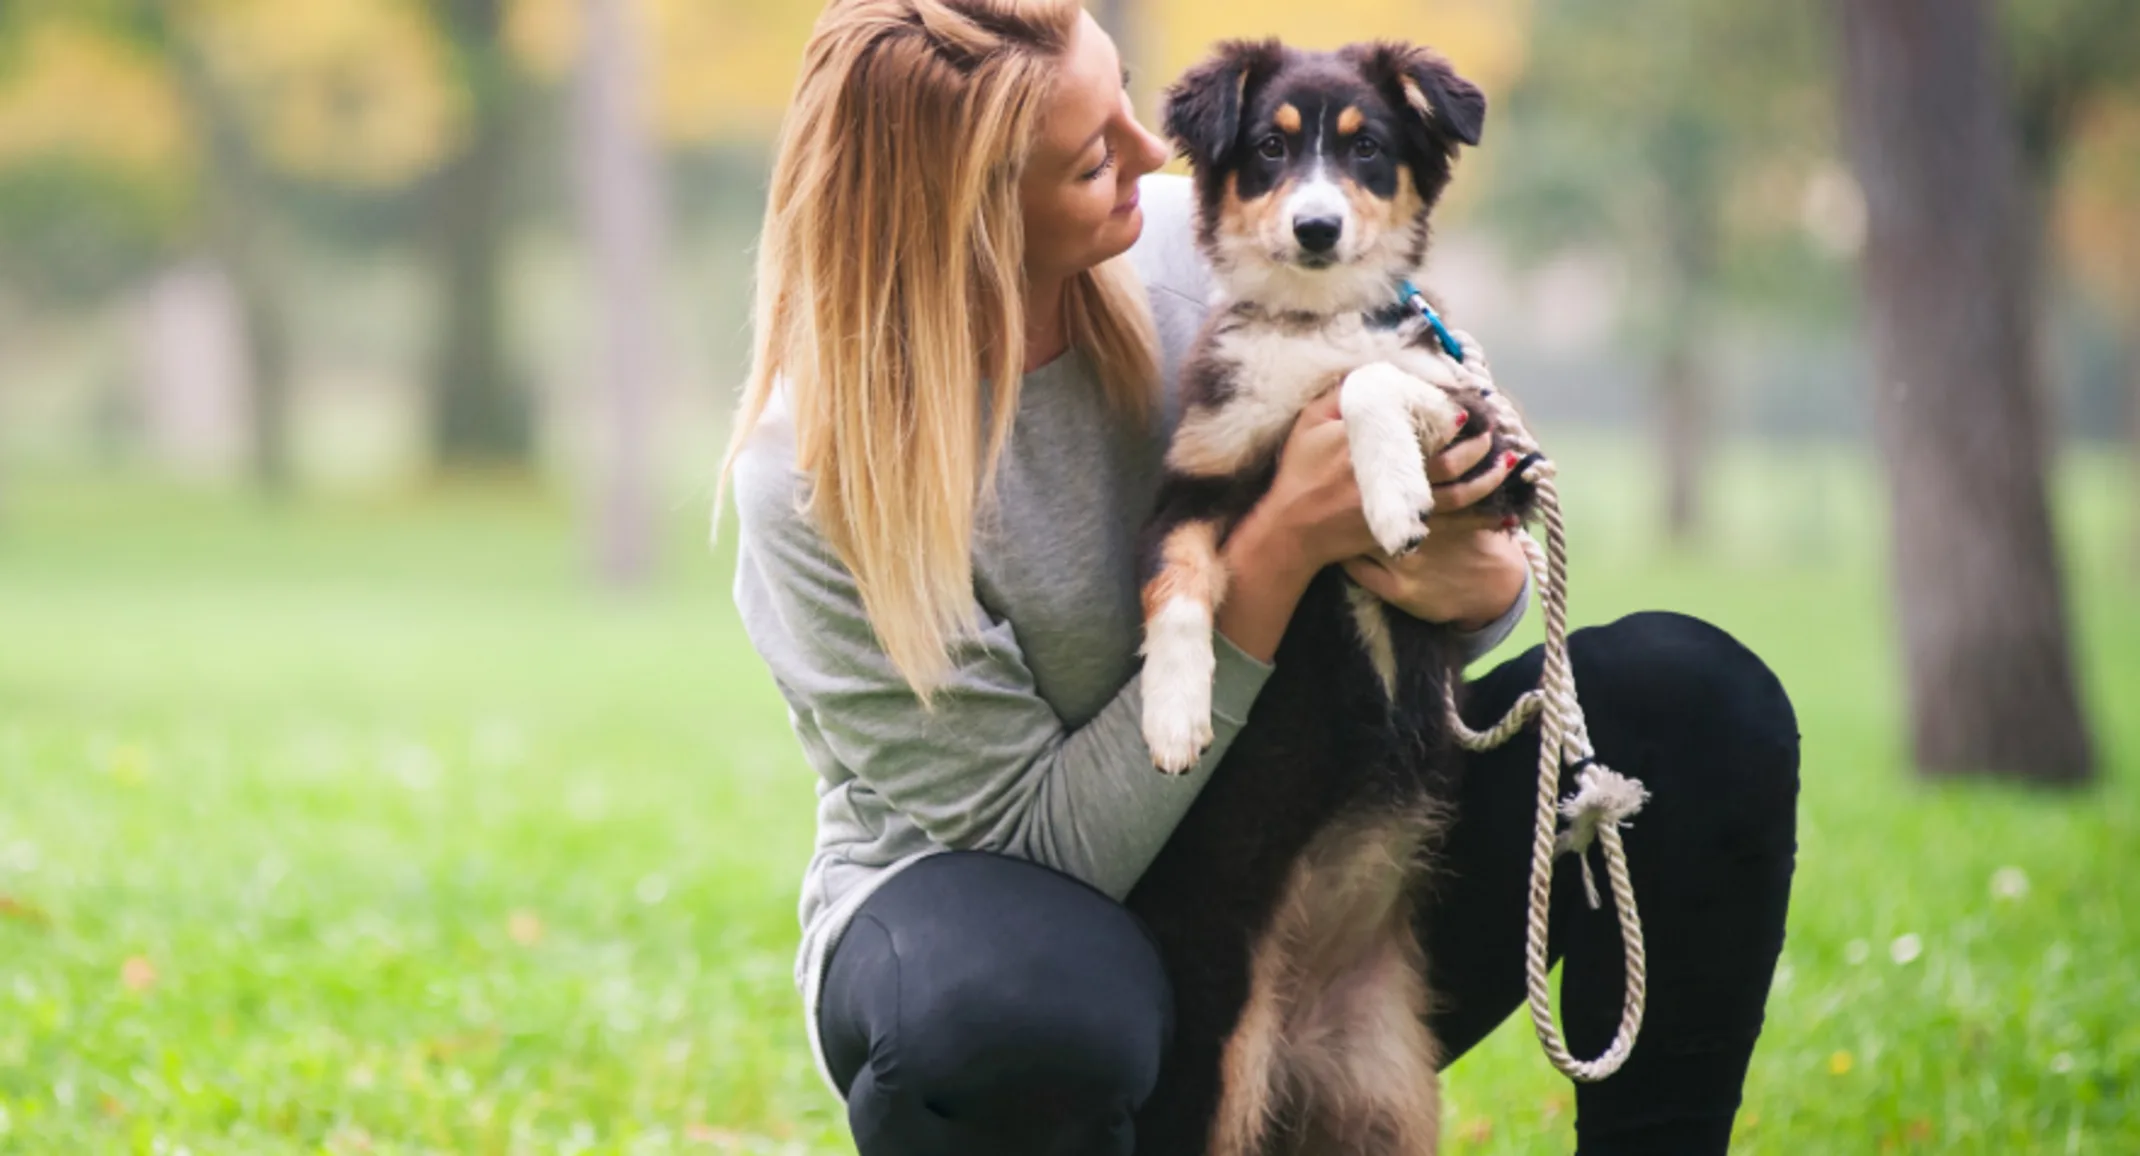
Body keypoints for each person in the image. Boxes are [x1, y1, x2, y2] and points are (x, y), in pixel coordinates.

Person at [724, 2, 1800, 1153]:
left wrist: (1475, 573)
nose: (1158, 155)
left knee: (1691, 705)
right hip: (1036, 917)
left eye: (1127, 100)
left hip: (1333, 833)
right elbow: (1038, 844)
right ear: (971, 217)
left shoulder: (1232, 238)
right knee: (1022, 1015)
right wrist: (1280, 543)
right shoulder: (816, 475)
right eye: (1095, 157)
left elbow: (1483, 554)